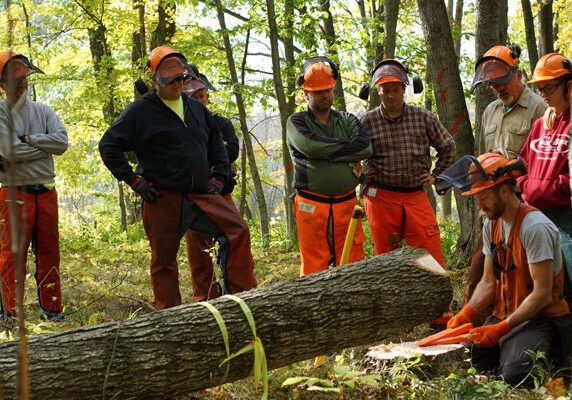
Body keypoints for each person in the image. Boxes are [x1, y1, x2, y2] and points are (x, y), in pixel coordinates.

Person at [99, 46, 257, 310]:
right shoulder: (139, 112)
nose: (176, 84)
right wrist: (134, 182)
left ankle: (241, 300)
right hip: (161, 196)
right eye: (169, 79)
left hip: (201, 193)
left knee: (236, 230)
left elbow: (216, 143)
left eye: (180, 78)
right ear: (154, 81)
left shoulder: (196, 108)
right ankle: (169, 314)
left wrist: (219, 176)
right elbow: (108, 146)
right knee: (164, 259)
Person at [440, 152, 570, 386]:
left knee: (517, 376)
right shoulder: (492, 223)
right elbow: (488, 281)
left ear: (505, 190)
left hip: (539, 318)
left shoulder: (535, 227)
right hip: (504, 314)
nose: (479, 204)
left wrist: (502, 329)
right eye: (476, 196)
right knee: (469, 358)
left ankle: (552, 359)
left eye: (484, 196)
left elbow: (541, 294)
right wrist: (468, 312)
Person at [465, 44, 547, 305]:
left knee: (521, 266)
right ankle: (469, 314)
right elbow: (484, 155)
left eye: (502, 81)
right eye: (492, 85)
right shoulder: (490, 111)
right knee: (480, 262)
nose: (498, 89)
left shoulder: (538, 109)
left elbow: (541, 159)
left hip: (522, 198)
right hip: (493, 197)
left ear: (519, 75)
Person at [359, 59, 455, 267]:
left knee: (429, 249)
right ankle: (389, 296)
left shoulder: (423, 117)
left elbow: (448, 146)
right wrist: (361, 174)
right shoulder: (366, 121)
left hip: (414, 192)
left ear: (404, 89)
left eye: (395, 89)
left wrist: (437, 175)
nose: (391, 95)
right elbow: (349, 154)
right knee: (385, 255)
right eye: (386, 90)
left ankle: (436, 296)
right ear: (378, 90)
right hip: (381, 195)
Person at [286, 57, 372, 276]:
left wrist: (327, 155)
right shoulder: (296, 122)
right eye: (317, 92)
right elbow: (310, 146)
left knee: (353, 265)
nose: (324, 95)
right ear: (305, 94)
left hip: (347, 204)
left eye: (327, 90)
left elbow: (365, 148)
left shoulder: (348, 119)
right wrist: (345, 151)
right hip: (311, 206)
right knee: (315, 269)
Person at [0, 52, 68, 321]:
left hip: (46, 190)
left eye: (24, 78)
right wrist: (43, 147)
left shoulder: (44, 110)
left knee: (51, 252)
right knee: (11, 255)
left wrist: (27, 139)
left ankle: (52, 310)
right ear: (3, 85)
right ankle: (9, 311)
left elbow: (62, 143)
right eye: (15, 81)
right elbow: (7, 151)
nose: (22, 84)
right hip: (14, 191)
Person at [517, 52, 572, 304]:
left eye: (549, 87)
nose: (544, 94)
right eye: (540, 89)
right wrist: (524, 184)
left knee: (568, 277)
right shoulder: (542, 124)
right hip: (537, 215)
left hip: (566, 217)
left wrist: (552, 187)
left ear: (568, 85)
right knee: (541, 282)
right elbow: (524, 163)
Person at [182, 74, 240, 301]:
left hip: (223, 193)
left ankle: (235, 292)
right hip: (195, 195)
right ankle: (205, 299)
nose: (200, 99)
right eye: (194, 96)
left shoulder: (221, 123)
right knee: (199, 253)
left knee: (234, 239)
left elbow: (231, 152)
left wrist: (209, 154)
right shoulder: (181, 126)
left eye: (202, 95)